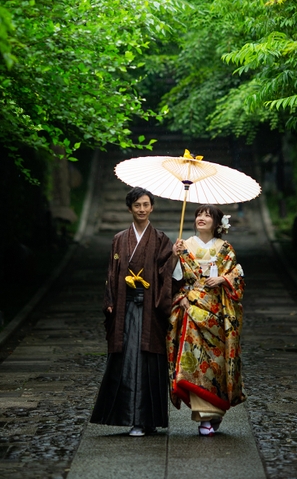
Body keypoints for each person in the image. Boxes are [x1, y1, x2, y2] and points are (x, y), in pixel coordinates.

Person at [90, 186, 180, 436]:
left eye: (146, 205)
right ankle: (133, 418)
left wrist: (174, 257)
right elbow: (111, 273)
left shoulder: (161, 239)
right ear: (130, 208)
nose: (142, 209)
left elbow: (167, 272)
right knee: (128, 359)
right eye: (137, 205)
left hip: (151, 308)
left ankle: (148, 419)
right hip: (125, 308)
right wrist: (109, 299)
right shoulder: (119, 239)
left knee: (149, 360)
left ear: (152, 207)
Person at [166, 204, 246, 436]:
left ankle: (214, 411)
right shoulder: (184, 245)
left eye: (208, 216)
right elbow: (174, 280)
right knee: (193, 361)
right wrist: (174, 257)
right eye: (199, 214)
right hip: (192, 309)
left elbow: (237, 279)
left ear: (217, 223)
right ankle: (205, 416)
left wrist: (222, 279)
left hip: (217, 312)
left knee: (215, 363)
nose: (201, 218)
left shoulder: (226, 249)